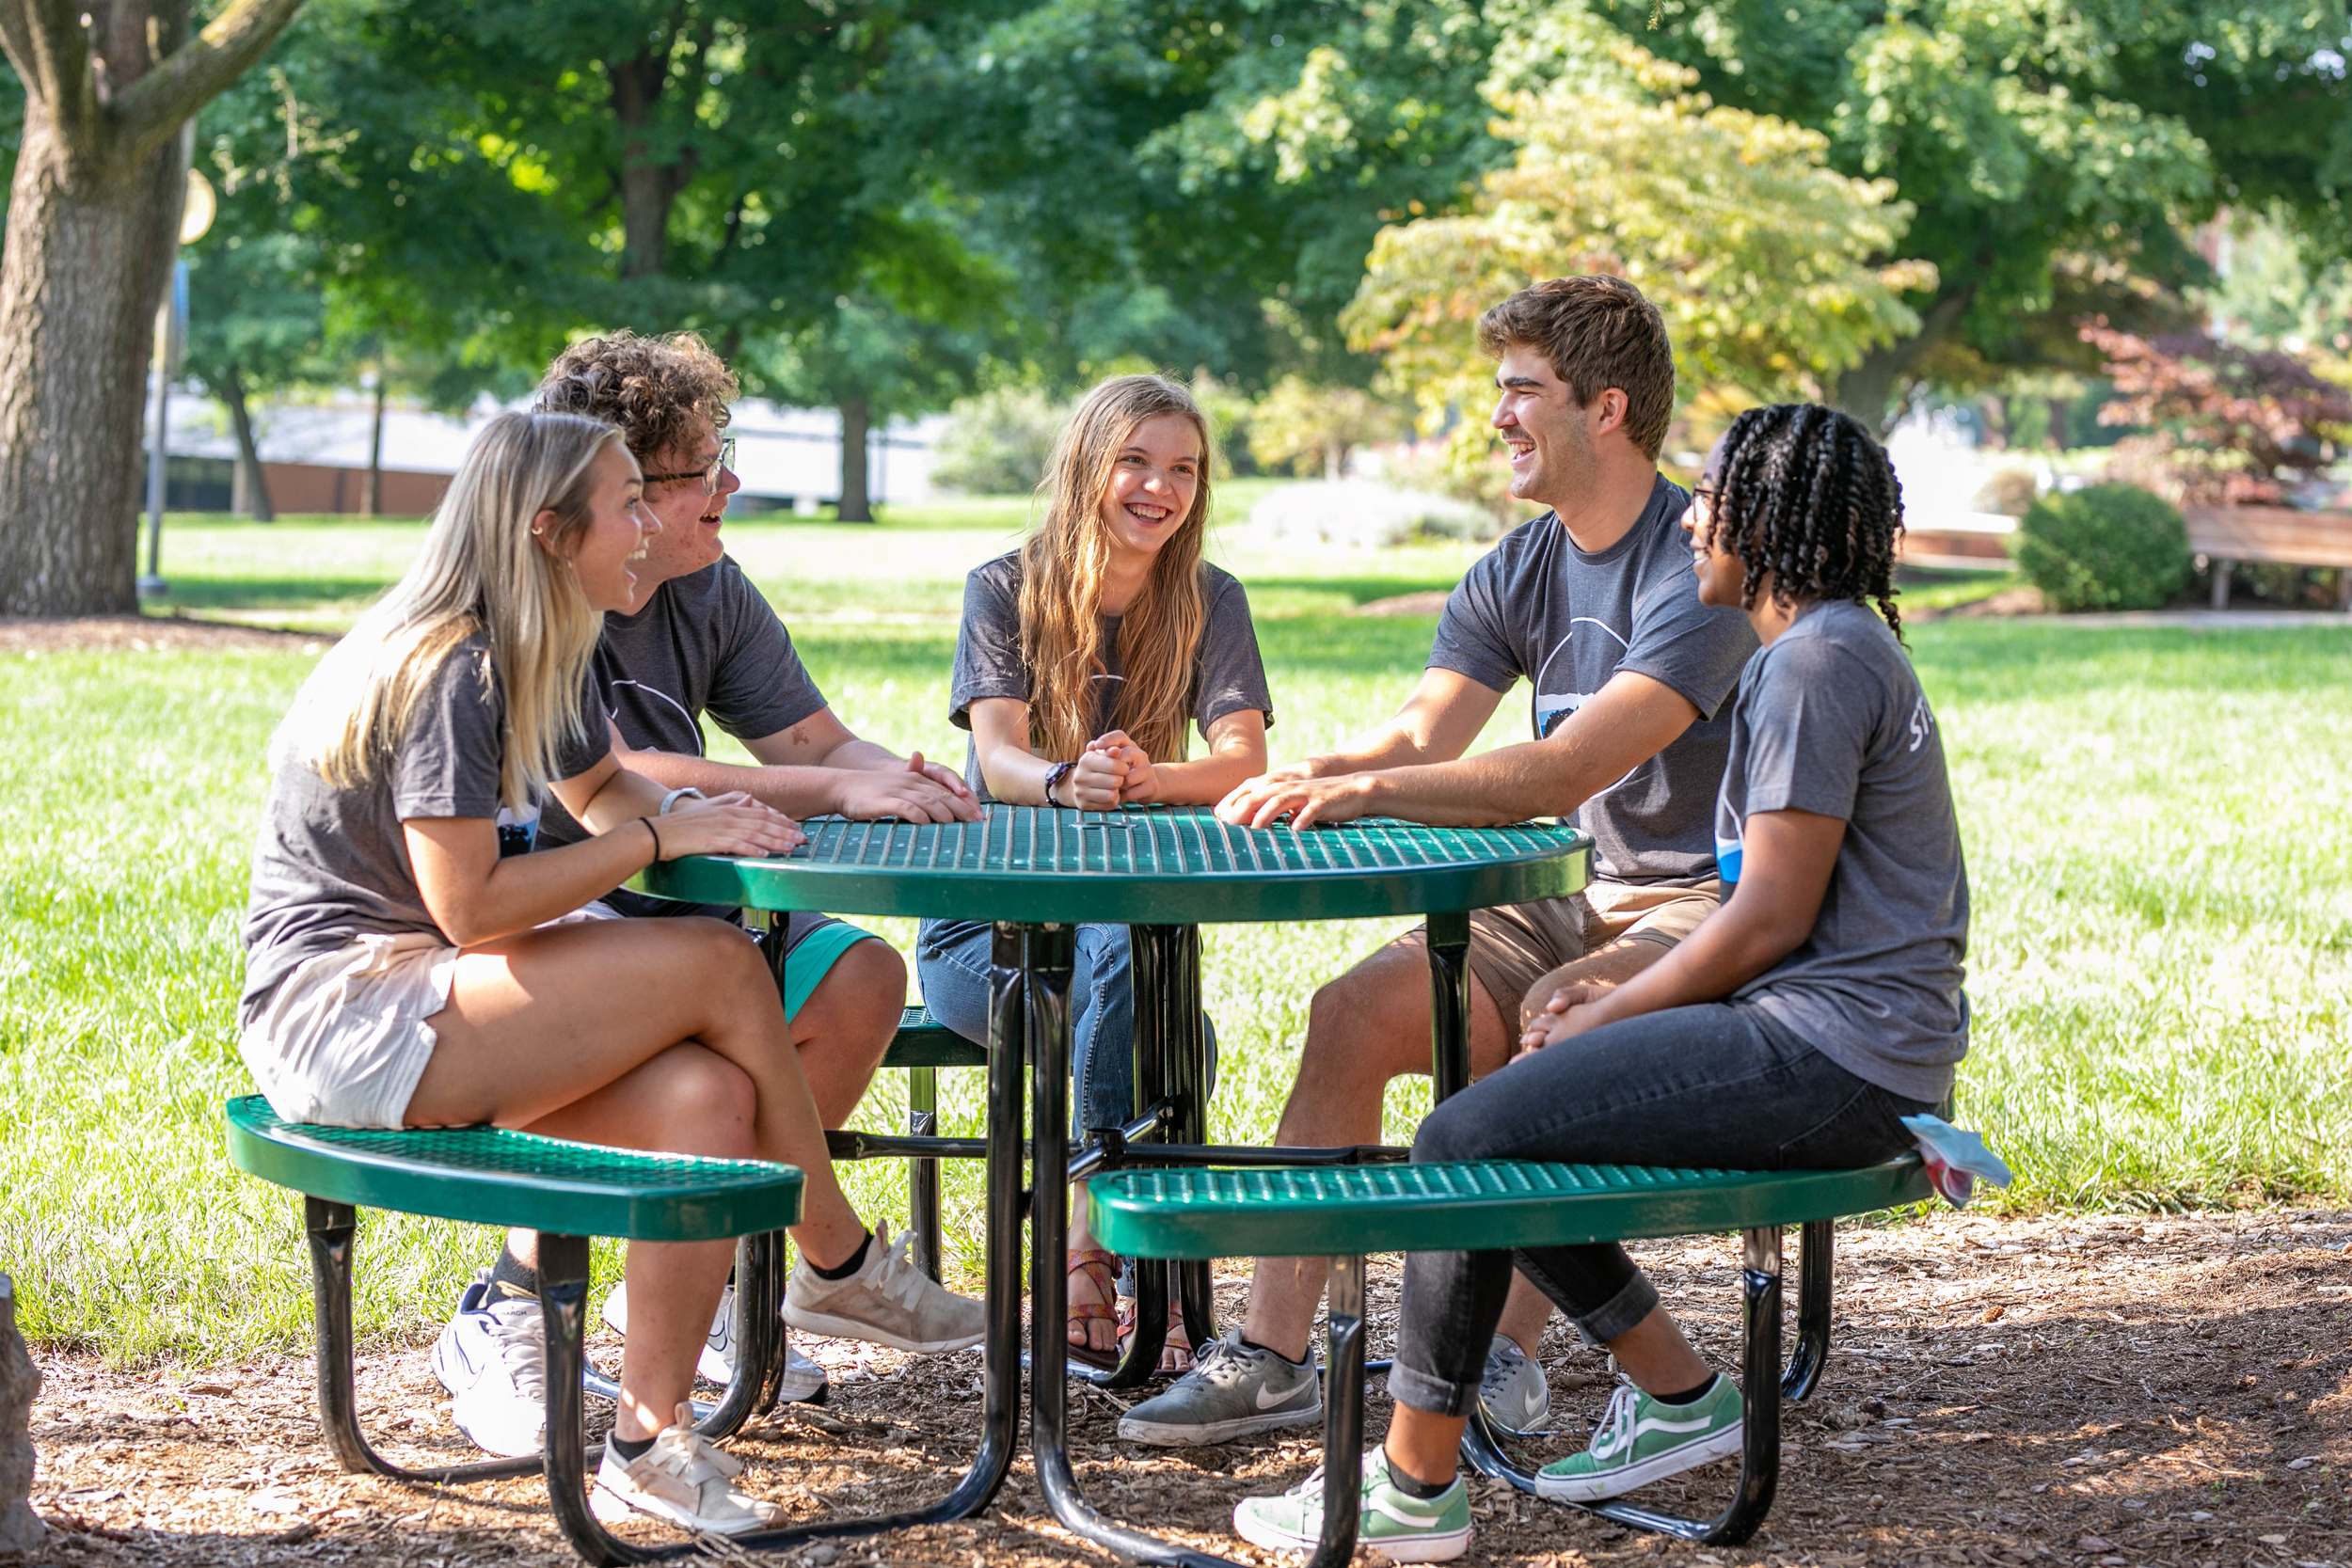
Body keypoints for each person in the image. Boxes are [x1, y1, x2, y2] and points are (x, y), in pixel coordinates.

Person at [1228, 401, 1970, 1561]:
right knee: (1514, 1119)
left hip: (1838, 1057)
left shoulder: (1812, 663)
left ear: (1770, 521)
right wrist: (1607, 1005)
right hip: (1838, 1043)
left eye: (1718, 495)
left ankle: (1413, 1488)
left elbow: (1769, 913)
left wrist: (1619, 997)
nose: (1695, 517)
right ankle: (1676, 1393)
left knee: (1465, 1145)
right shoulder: (1826, 648)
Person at [239, 411, 978, 1537]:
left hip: (434, 991)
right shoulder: (453, 664)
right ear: (547, 530)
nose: (650, 525)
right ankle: (833, 1251)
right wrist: (656, 843)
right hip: (348, 1013)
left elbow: (606, 796)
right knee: (718, 962)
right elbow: (470, 904)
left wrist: (696, 814)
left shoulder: (541, 642)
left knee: (709, 1101)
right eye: (629, 504)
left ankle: (647, 1440)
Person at [1120, 276, 1756, 1445]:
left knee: (1552, 1033)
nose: (1499, 416)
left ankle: (1499, 1355)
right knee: (1352, 1010)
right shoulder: (1521, 565)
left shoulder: (1700, 567)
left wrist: (1366, 786)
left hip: (1701, 904)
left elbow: (1562, 770)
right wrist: (1314, 772)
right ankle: (1270, 1354)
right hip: (1567, 894)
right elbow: (1420, 735)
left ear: (1604, 409)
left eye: (1522, 392)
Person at [430, 332, 981, 1451]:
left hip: (691, 913)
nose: (729, 486)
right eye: (696, 471)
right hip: (559, 927)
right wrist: (831, 784)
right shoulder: (539, 613)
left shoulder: (707, 586)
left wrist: (898, 776)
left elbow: (813, 736)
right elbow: (631, 782)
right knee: (698, 1047)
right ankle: (516, 1305)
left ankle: (696, 1280)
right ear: (602, 493)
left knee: (860, 975)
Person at [914, 373, 1272, 1371]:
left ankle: (1080, 1241)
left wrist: (1156, 775)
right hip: (985, 941)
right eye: (1136, 461)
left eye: (1184, 469)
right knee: (1172, 1037)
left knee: (1137, 964)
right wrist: (1069, 779)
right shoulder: (1005, 587)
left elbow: (1243, 761)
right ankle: (1118, 1253)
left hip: (1119, 940)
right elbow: (996, 759)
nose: (1160, 487)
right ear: (1086, 468)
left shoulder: (1209, 599)